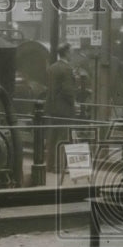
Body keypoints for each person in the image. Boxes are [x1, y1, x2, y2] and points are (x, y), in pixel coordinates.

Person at [44, 42, 77, 172]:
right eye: (72, 52)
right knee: (65, 137)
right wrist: (74, 102)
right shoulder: (67, 69)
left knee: (52, 137)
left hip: (52, 107)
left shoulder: (52, 68)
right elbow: (67, 90)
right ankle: (62, 167)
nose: (72, 54)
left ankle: (50, 165)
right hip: (64, 108)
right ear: (67, 52)